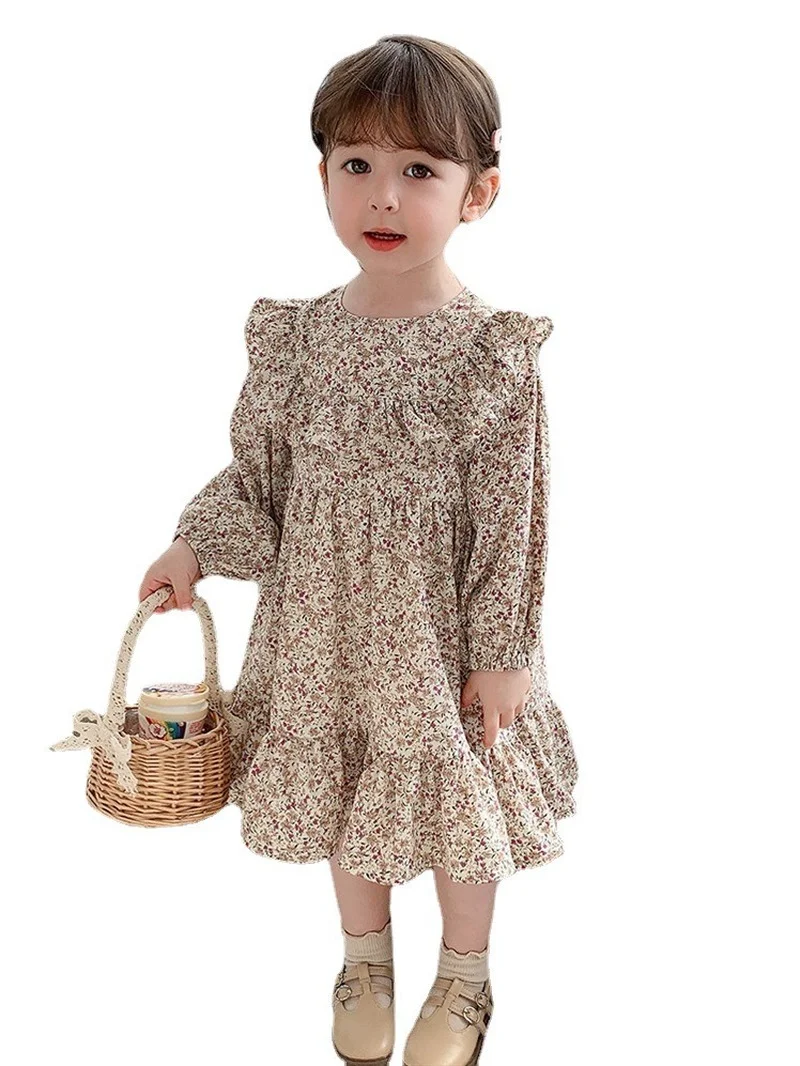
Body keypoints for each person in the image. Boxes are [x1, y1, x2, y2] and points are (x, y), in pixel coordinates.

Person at [138, 33, 579, 1066]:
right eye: (357, 165)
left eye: (419, 170)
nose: (383, 195)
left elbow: (513, 514)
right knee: (346, 793)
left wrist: (502, 649)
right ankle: (363, 961)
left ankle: (463, 977)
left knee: (458, 798)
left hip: (439, 637)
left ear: (477, 193)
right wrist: (191, 547)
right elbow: (260, 480)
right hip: (324, 628)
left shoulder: (487, 354)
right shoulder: (297, 341)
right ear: (323, 177)